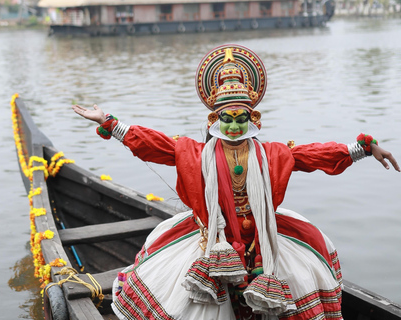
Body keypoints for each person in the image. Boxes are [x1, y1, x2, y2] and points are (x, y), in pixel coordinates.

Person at [72, 44, 399, 320]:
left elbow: (315, 155)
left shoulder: (272, 154)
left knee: (304, 277)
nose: (233, 127)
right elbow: (153, 143)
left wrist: (363, 149)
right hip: (211, 240)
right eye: (226, 119)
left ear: (252, 119)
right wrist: (109, 122)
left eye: (240, 119)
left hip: (264, 239)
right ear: (215, 120)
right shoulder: (195, 153)